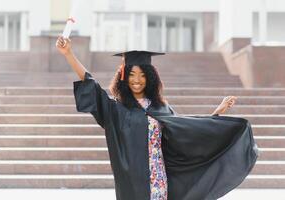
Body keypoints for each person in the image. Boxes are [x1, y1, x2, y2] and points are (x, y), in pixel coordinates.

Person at [56, 36, 258, 200]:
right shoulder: (115, 110)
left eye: (143, 75)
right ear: (124, 77)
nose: (137, 80)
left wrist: (217, 113)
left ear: (150, 78)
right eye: (133, 74)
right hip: (131, 182)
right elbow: (91, 85)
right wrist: (69, 54)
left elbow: (185, 131)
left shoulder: (161, 107)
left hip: (159, 179)